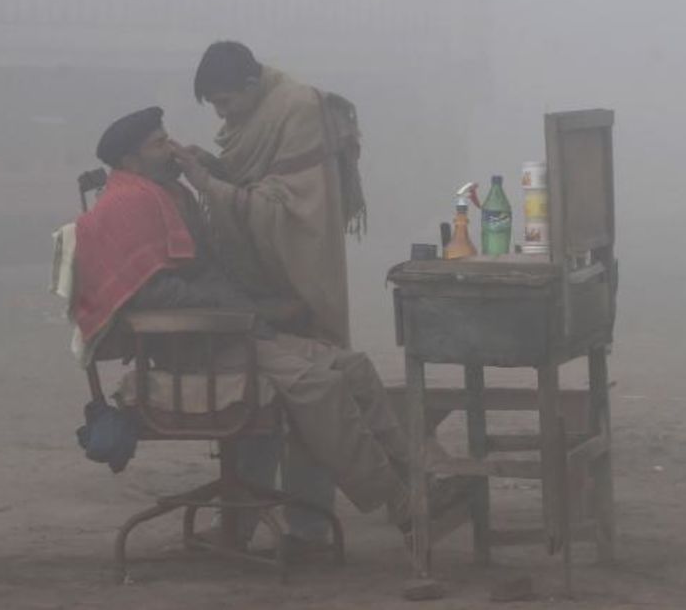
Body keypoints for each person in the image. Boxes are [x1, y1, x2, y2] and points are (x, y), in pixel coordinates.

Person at [73, 107, 468, 549]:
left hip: (231, 332)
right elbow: (153, 297)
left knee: (351, 365)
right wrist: (241, 310)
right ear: (130, 160)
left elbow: (206, 268)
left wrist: (256, 306)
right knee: (321, 386)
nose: (171, 148)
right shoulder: (128, 203)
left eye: (168, 138)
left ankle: (421, 479)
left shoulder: (168, 195)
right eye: (158, 144)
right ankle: (402, 504)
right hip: (194, 347)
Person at [173, 41, 367, 547]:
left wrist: (208, 185)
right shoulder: (260, 114)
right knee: (253, 394)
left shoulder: (299, 108)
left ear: (253, 87)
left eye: (226, 104)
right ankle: (242, 515)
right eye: (213, 107)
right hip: (257, 283)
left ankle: (308, 527)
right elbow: (253, 183)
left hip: (299, 272)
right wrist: (214, 169)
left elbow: (284, 210)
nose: (222, 114)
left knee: (312, 403)